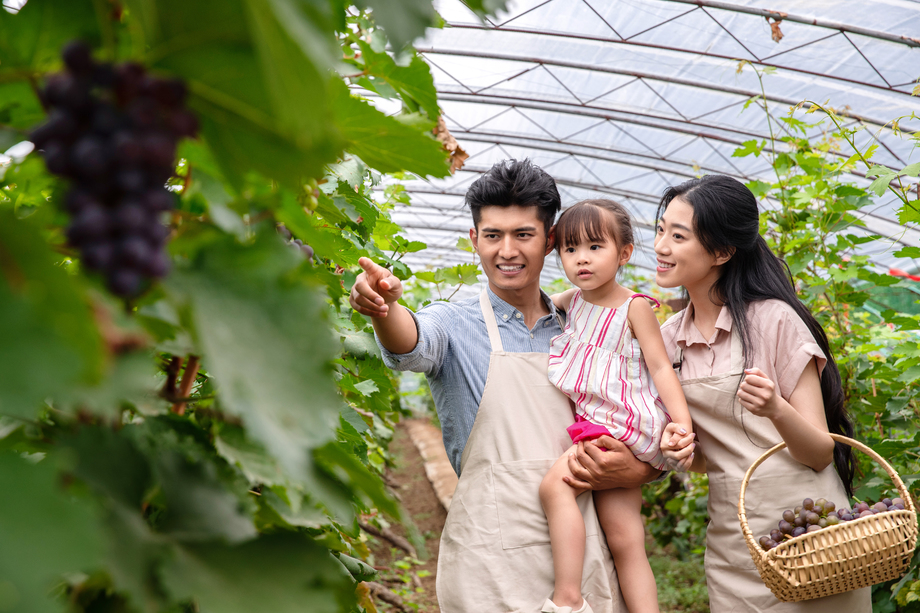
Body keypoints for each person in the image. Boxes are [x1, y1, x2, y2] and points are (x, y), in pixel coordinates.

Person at [349, 159, 660, 612]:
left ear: (550, 240)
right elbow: (412, 343)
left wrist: (642, 468)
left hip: (580, 556)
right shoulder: (455, 322)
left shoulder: (582, 328)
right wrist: (381, 310)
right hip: (489, 562)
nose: (507, 250)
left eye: (524, 235)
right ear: (475, 239)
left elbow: (636, 413)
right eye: (493, 235)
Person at [656, 174, 871, 611]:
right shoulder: (666, 341)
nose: (661, 246)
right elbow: (709, 457)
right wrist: (679, 450)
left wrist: (776, 408)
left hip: (813, 538)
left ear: (722, 251)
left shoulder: (772, 320)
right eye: (661, 230)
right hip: (737, 545)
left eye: (678, 236)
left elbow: (818, 453)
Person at [539, 200, 693, 613]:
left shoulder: (634, 306)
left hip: (617, 425)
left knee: (554, 487)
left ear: (624, 253)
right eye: (570, 250)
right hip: (609, 426)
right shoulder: (572, 300)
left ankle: (567, 597)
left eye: (594, 247)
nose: (581, 259)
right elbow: (531, 309)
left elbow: (661, 368)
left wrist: (681, 424)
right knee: (625, 540)